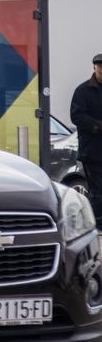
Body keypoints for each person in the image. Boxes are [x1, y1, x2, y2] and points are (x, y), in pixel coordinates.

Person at [72, 53, 102, 221]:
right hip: (92, 151)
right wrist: (98, 126)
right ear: (94, 68)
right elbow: (76, 116)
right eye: (100, 67)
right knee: (98, 191)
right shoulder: (83, 90)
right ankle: (97, 223)